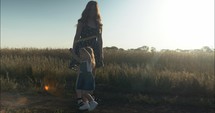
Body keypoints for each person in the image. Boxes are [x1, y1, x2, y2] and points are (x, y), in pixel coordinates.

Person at [70, 0, 104, 70]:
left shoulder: (98, 24)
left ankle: (92, 81)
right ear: (87, 10)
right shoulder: (82, 22)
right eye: (90, 9)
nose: (92, 11)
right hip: (83, 47)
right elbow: (77, 36)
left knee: (93, 69)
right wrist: (74, 49)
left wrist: (101, 53)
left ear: (96, 10)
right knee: (81, 69)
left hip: (94, 47)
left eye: (94, 9)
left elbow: (100, 39)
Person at [71, 47, 98, 111]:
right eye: (80, 54)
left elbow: (88, 56)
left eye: (82, 54)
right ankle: (86, 104)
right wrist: (73, 53)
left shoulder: (89, 61)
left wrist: (83, 50)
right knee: (82, 93)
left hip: (87, 78)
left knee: (84, 93)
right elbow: (76, 58)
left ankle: (92, 102)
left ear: (87, 54)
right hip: (82, 78)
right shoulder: (82, 61)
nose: (80, 55)